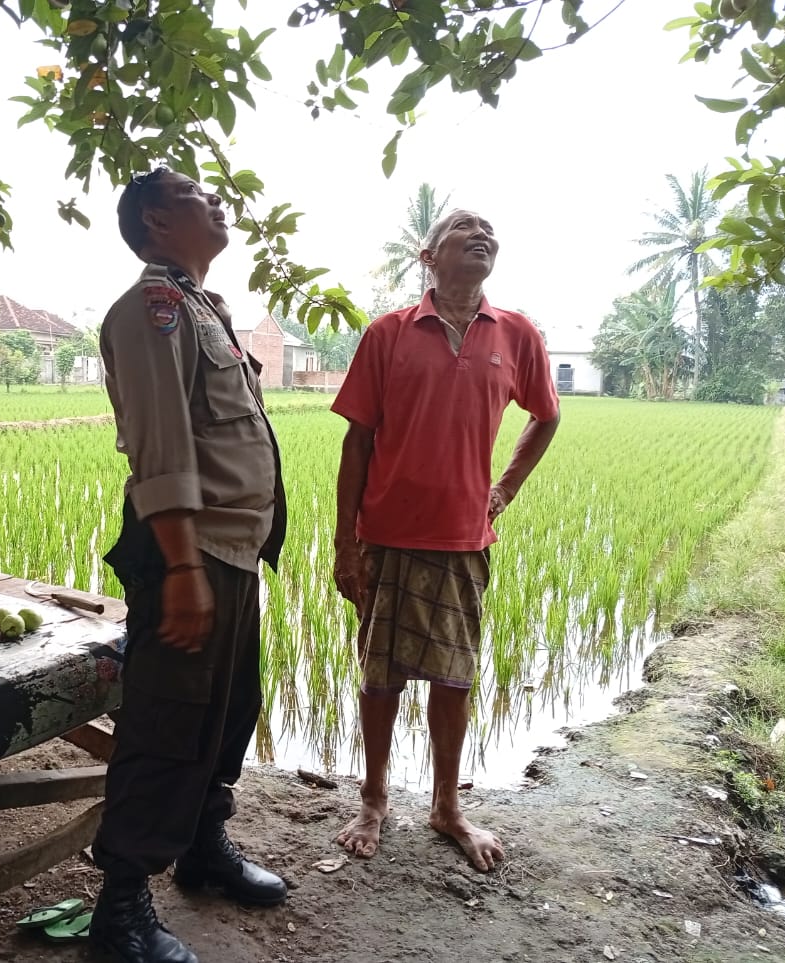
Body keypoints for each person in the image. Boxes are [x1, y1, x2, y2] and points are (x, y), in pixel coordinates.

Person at [89, 167, 287, 963]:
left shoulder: (206, 309)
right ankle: (122, 909)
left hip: (231, 552)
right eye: (195, 194)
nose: (216, 200)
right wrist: (181, 569)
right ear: (156, 222)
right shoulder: (153, 310)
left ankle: (204, 847)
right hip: (191, 552)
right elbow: (161, 443)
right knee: (166, 722)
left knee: (227, 712)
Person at [330, 209, 560, 872]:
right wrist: (346, 542)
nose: (482, 236)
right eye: (464, 229)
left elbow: (546, 415)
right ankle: (373, 798)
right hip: (387, 535)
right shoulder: (388, 333)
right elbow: (357, 442)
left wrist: (506, 488)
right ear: (429, 256)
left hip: (463, 539)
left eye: (489, 230)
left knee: (454, 677)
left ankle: (446, 806)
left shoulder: (516, 334)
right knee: (381, 676)